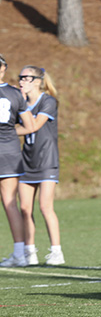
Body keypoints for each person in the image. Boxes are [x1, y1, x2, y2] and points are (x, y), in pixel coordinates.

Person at [15, 66, 64, 265]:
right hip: (27, 160)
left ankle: (56, 252)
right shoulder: (22, 103)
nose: (21, 81)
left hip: (46, 160)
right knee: (25, 208)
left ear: (37, 81)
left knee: (45, 206)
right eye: (20, 78)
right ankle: (29, 252)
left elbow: (34, 125)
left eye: (25, 78)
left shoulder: (48, 101)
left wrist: (9, 130)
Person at [0, 55, 36, 267]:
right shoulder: (15, 93)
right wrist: (10, 133)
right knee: (10, 203)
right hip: (11, 151)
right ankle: (20, 254)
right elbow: (30, 126)